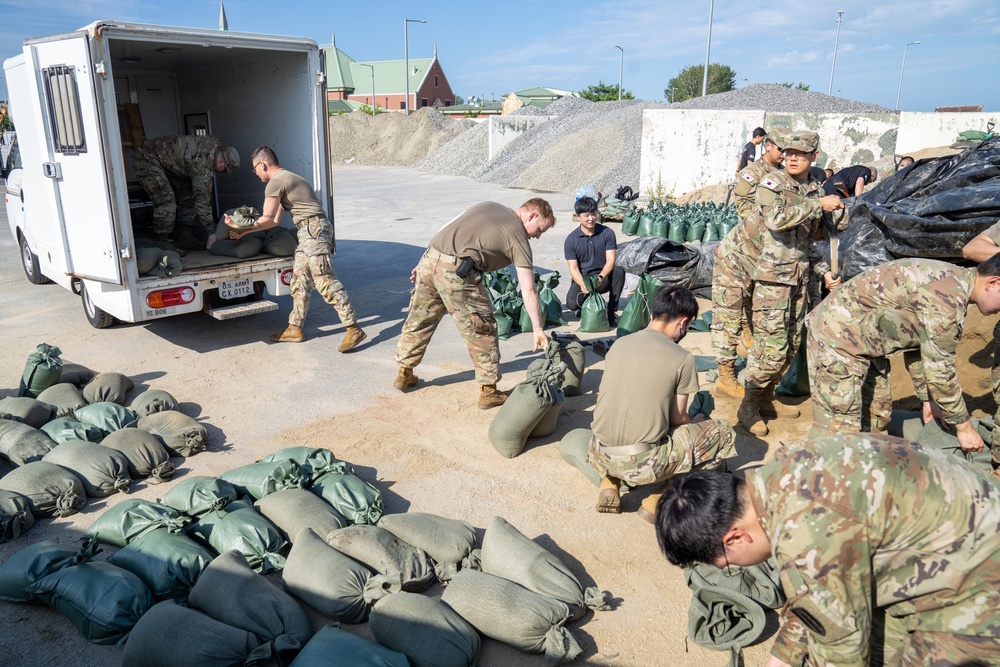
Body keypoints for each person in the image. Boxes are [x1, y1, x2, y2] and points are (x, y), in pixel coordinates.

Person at [655, 433, 1000, 667]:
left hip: (982, 581)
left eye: (728, 565)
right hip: (956, 536)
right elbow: (816, 607)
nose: (736, 569)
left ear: (735, 539)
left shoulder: (805, 538)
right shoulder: (784, 472)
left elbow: (842, 652)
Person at [806, 256, 1000, 449]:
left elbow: (917, 343)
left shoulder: (954, 281)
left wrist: (928, 398)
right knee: (838, 429)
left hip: (865, 341)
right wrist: (964, 427)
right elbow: (940, 372)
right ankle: (819, 474)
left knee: (876, 416)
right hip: (836, 338)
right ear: (994, 282)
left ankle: (868, 469)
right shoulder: (946, 300)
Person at [587, 284, 736, 522]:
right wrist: (696, 421)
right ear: (683, 323)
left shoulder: (619, 344)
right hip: (641, 462)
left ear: (653, 314)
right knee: (722, 433)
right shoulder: (682, 358)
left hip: (598, 450)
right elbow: (677, 418)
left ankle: (609, 481)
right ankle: (658, 498)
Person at [393, 199, 556, 409]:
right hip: (456, 273)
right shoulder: (518, 237)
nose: (537, 236)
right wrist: (537, 328)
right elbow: (529, 289)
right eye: (540, 229)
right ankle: (489, 391)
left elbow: (446, 227)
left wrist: (423, 262)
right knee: (482, 328)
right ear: (531, 216)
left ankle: (404, 372)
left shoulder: (488, 205)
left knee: (420, 318)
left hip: (430, 259)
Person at [737, 129, 845, 437]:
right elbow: (775, 219)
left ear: (814, 157)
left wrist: (823, 269)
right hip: (773, 279)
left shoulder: (813, 187)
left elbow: (808, 242)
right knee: (769, 347)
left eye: (800, 153)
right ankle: (749, 404)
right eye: (789, 152)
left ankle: (767, 397)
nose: (792, 157)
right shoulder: (772, 183)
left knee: (792, 344)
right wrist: (817, 206)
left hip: (799, 280)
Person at [226, 146, 365, 352]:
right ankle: (294, 328)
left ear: (262, 164)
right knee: (299, 280)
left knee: (324, 280)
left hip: (313, 231)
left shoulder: (276, 183)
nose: (255, 173)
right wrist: (244, 234)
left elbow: (265, 218)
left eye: (254, 168)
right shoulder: (288, 178)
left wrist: (238, 225)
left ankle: (353, 327)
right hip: (308, 232)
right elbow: (273, 221)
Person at [711, 131, 785, 399]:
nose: (785, 155)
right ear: (768, 145)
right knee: (727, 317)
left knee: (752, 304)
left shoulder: (786, 175)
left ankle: (749, 336)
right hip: (740, 253)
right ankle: (725, 376)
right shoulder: (752, 172)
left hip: (762, 255)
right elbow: (744, 208)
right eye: (781, 148)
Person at [132, 135, 239, 253]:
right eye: (224, 170)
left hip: (170, 164)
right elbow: (202, 201)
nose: (221, 173)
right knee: (166, 200)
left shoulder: (215, 146)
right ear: (221, 161)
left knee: (189, 195)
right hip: (147, 159)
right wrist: (211, 233)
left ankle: (184, 237)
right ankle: (161, 241)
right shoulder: (202, 164)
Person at [563, 197, 625, 326]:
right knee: (571, 304)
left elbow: (611, 260)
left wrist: (601, 277)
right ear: (578, 217)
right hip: (583, 279)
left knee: (619, 271)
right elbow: (573, 269)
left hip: (603, 277)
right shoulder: (571, 240)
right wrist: (584, 284)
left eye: (593, 214)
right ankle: (582, 307)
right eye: (586, 215)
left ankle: (611, 311)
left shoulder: (607, 233)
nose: (591, 218)